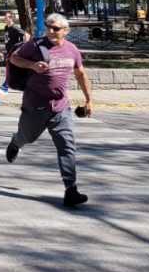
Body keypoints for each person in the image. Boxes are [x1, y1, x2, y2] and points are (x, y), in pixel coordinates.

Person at [7, 13, 93, 208]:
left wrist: (89, 100)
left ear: (66, 31)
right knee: (27, 137)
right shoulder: (36, 45)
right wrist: (31, 65)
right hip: (35, 105)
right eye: (48, 27)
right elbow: (14, 58)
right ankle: (15, 142)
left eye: (55, 28)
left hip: (61, 108)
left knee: (67, 147)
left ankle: (71, 190)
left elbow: (80, 74)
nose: (51, 31)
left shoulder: (72, 50)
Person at [1, 12, 30, 92]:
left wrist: (22, 47)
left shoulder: (15, 28)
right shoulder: (6, 27)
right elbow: (7, 40)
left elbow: (27, 36)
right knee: (11, 69)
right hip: (8, 50)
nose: (4, 18)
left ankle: (5, 87)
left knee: (9, 69)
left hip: (13, 51)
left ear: (11, 18)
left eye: (6, 17)